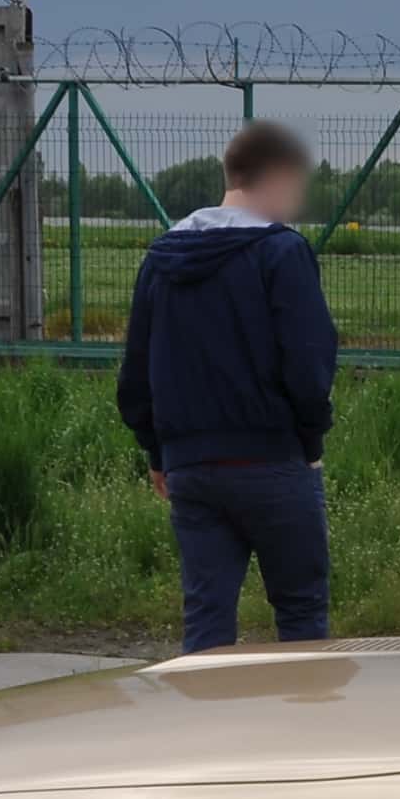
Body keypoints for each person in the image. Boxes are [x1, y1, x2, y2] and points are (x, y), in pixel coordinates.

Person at [118, 119, 342, 654]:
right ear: (279, 176)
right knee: (300, 611)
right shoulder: (282, 252)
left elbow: (135, 374)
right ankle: (303, 708)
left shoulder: (163, 258)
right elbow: (308, 364)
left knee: (207, 617)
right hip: (275, 461)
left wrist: (159, 453)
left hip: (190, 469)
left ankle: (205, 708)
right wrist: (310, 442)